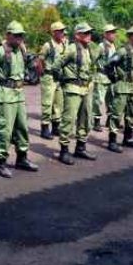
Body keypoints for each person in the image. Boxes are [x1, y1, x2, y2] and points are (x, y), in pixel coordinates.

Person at [0, 21, 39, 178]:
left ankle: (22, 158)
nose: (19, 38)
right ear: (8, 35)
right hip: (6, 94)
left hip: (19, 94)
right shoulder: (1, 52)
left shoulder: (21, 50)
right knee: (5, 131)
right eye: (16, 35)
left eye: (21, 35)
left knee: (22, 128)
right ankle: (1, 162)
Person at [52, 23, 97, 164]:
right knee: (69, 120)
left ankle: (80, 148)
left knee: (86, 119)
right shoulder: (71, 49)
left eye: (90, 33)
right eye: (86, 33)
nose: (89, 35)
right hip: (72, 89)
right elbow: (55, 66)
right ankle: (64, 151)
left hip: (86, 88)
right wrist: (64, 80)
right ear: (77, 35)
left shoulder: (88, 49)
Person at [108, 24, 133, 152]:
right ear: (131, 37)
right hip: (122, 86)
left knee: (132, 113)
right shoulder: (123, 51)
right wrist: (113, 78)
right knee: (116, 114)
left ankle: (128, 138)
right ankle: (112, 141)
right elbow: (109, 64)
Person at [38, 21, 67, 139]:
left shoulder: (63, 44)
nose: (62, 33)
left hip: (59, 77)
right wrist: (42, 74)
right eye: (60, 31)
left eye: (63, 31)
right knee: (47, 103)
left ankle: (56, 127)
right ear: (54, 32)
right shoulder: (48, 45)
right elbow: (40, 60)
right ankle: (44, 128)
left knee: (58, 103)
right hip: (49, 77)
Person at [90, 24, 118, 132]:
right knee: (98, 100)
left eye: (114, 32)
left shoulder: (113, 45)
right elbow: (93, 59)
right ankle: (96, 121)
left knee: (111, 99)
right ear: (105, 34)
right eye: (111, 32)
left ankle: (109, 120)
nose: (113, 34)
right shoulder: (101, 46)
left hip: (110, 76)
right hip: (101, 76)